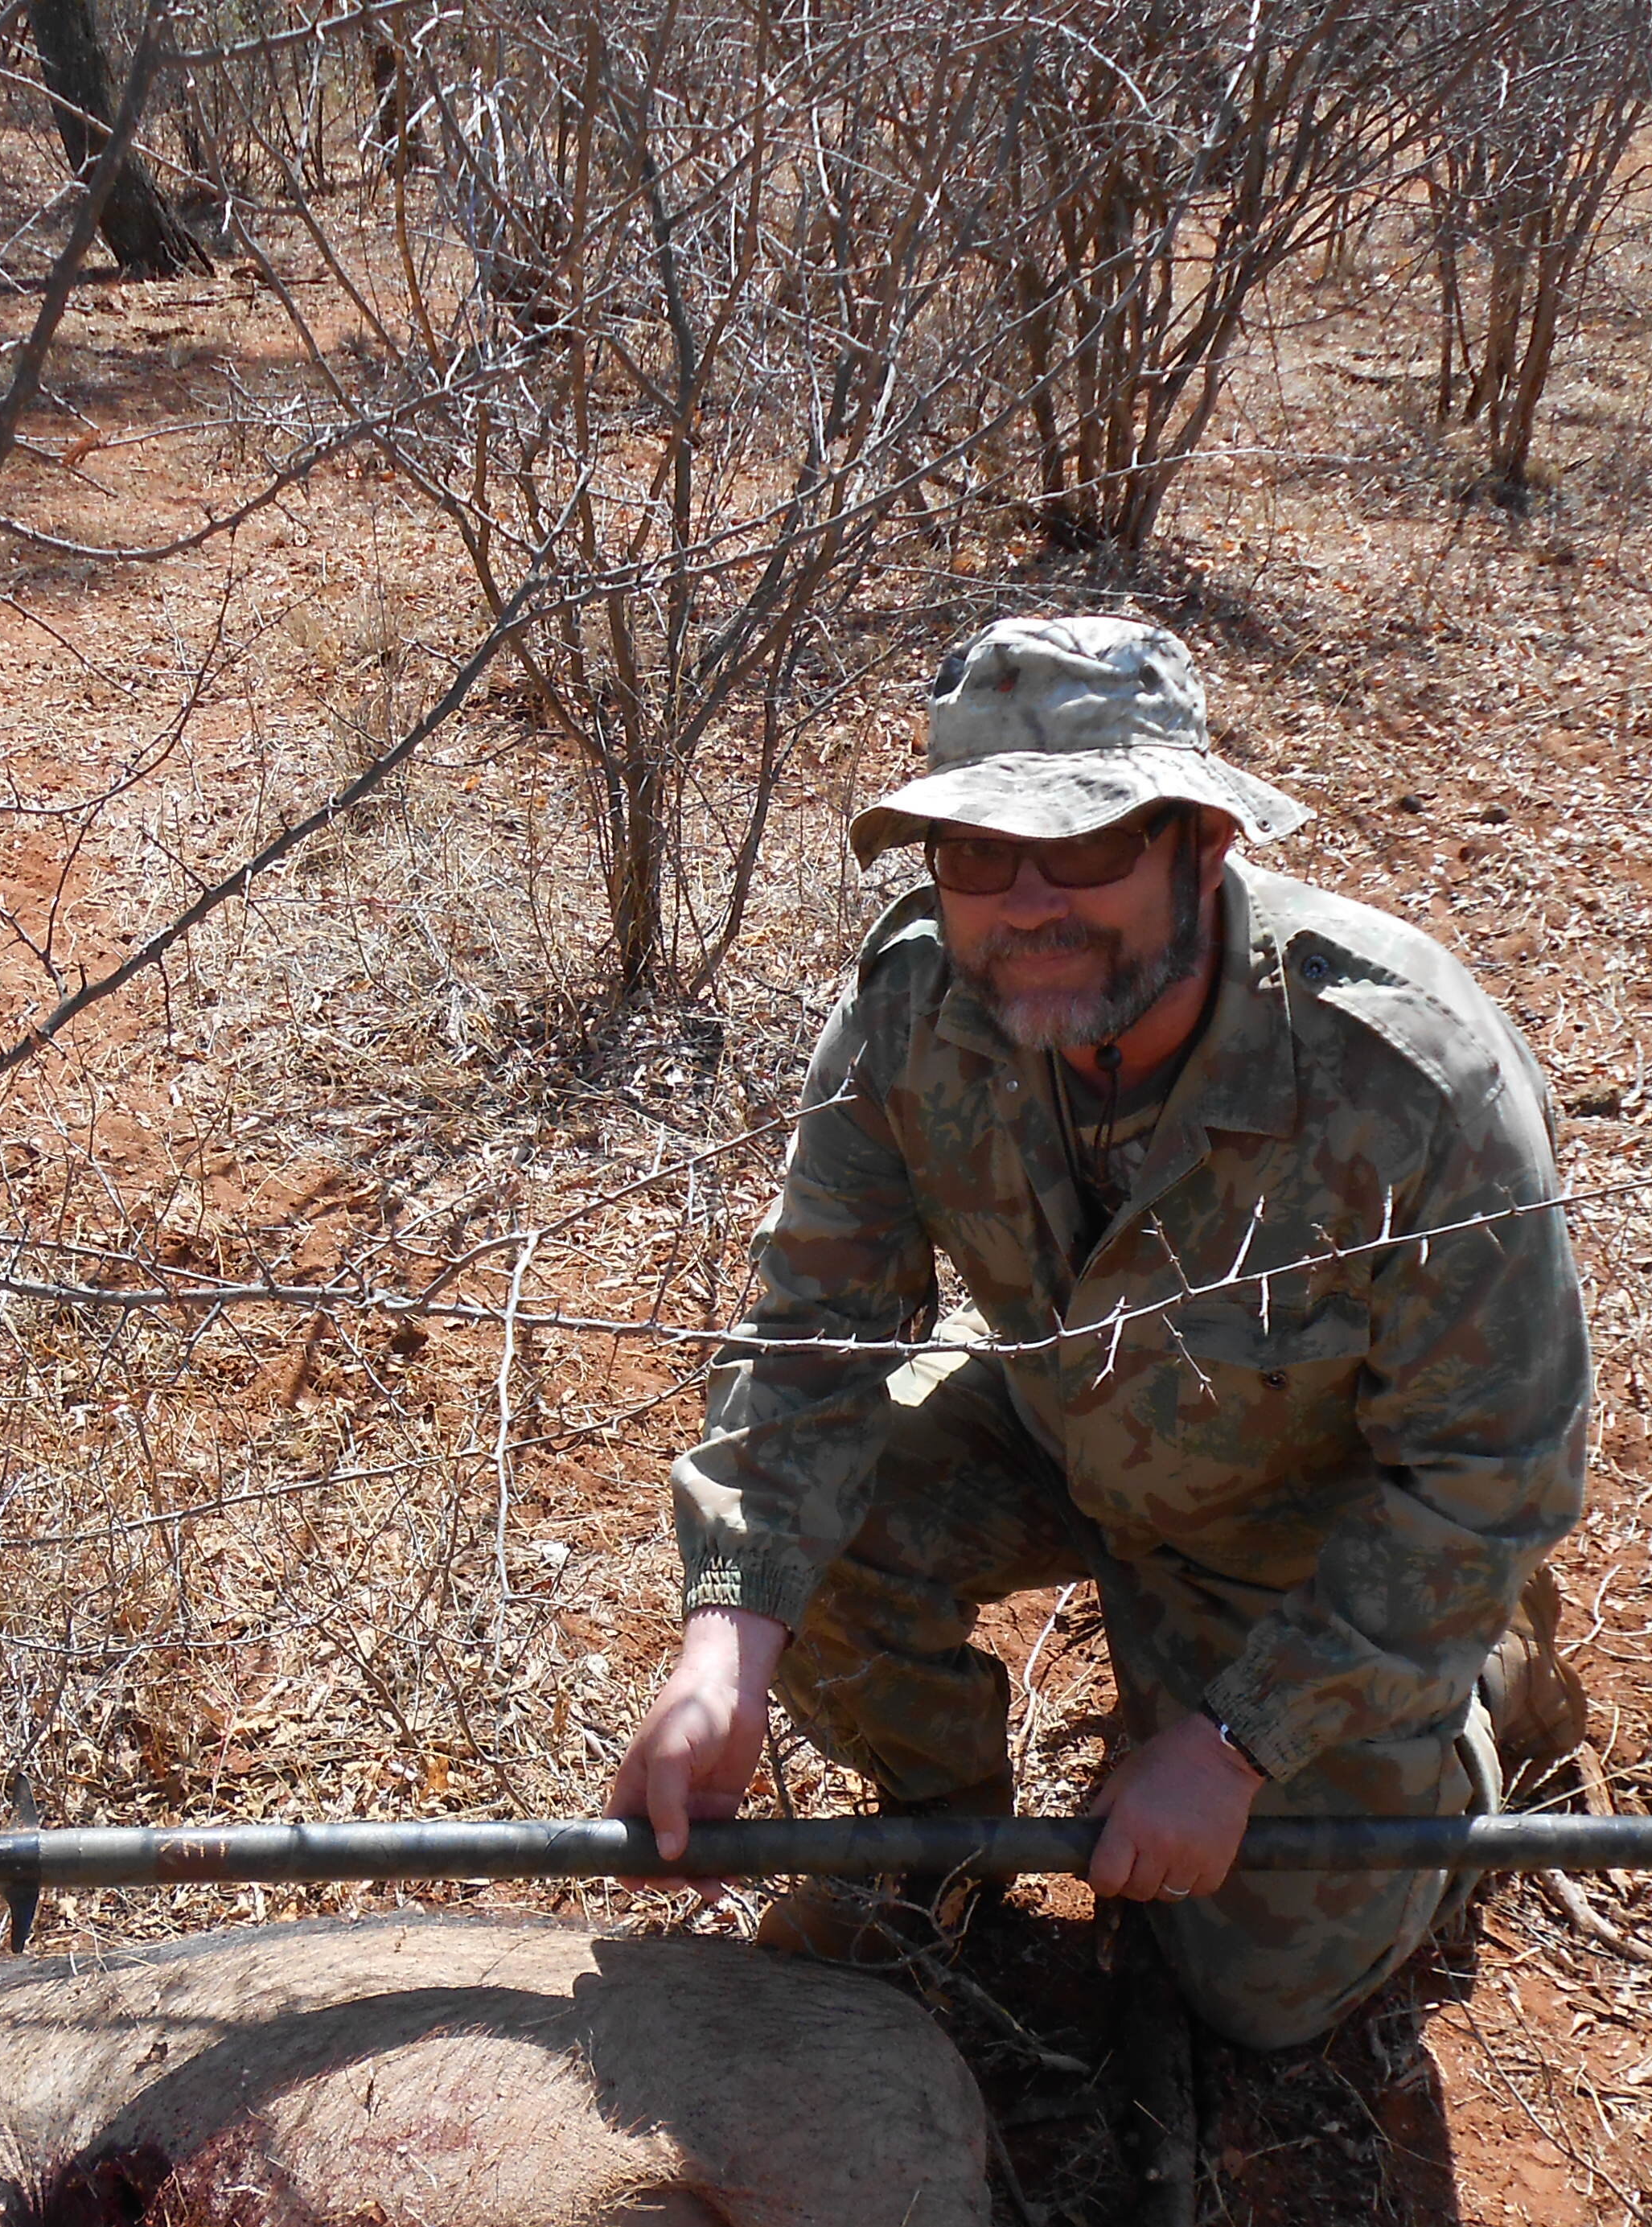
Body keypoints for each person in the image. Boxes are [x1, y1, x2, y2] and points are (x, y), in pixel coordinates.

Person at [610, 614, 1592, 2048]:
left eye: (1083, 848)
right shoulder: (914, 1006)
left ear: (1201, 841)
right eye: (974, 854)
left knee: (1262, 1998)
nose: (1025, 903)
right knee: (787, 1556)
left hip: (1305, 1524)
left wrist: (1233, 1743)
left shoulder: (1409, 1080)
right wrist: (725, 1650)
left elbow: (1492, 1471)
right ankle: (938, 1842)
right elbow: (814, 1339)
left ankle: (1481, 1695)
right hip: (1058, 1415)